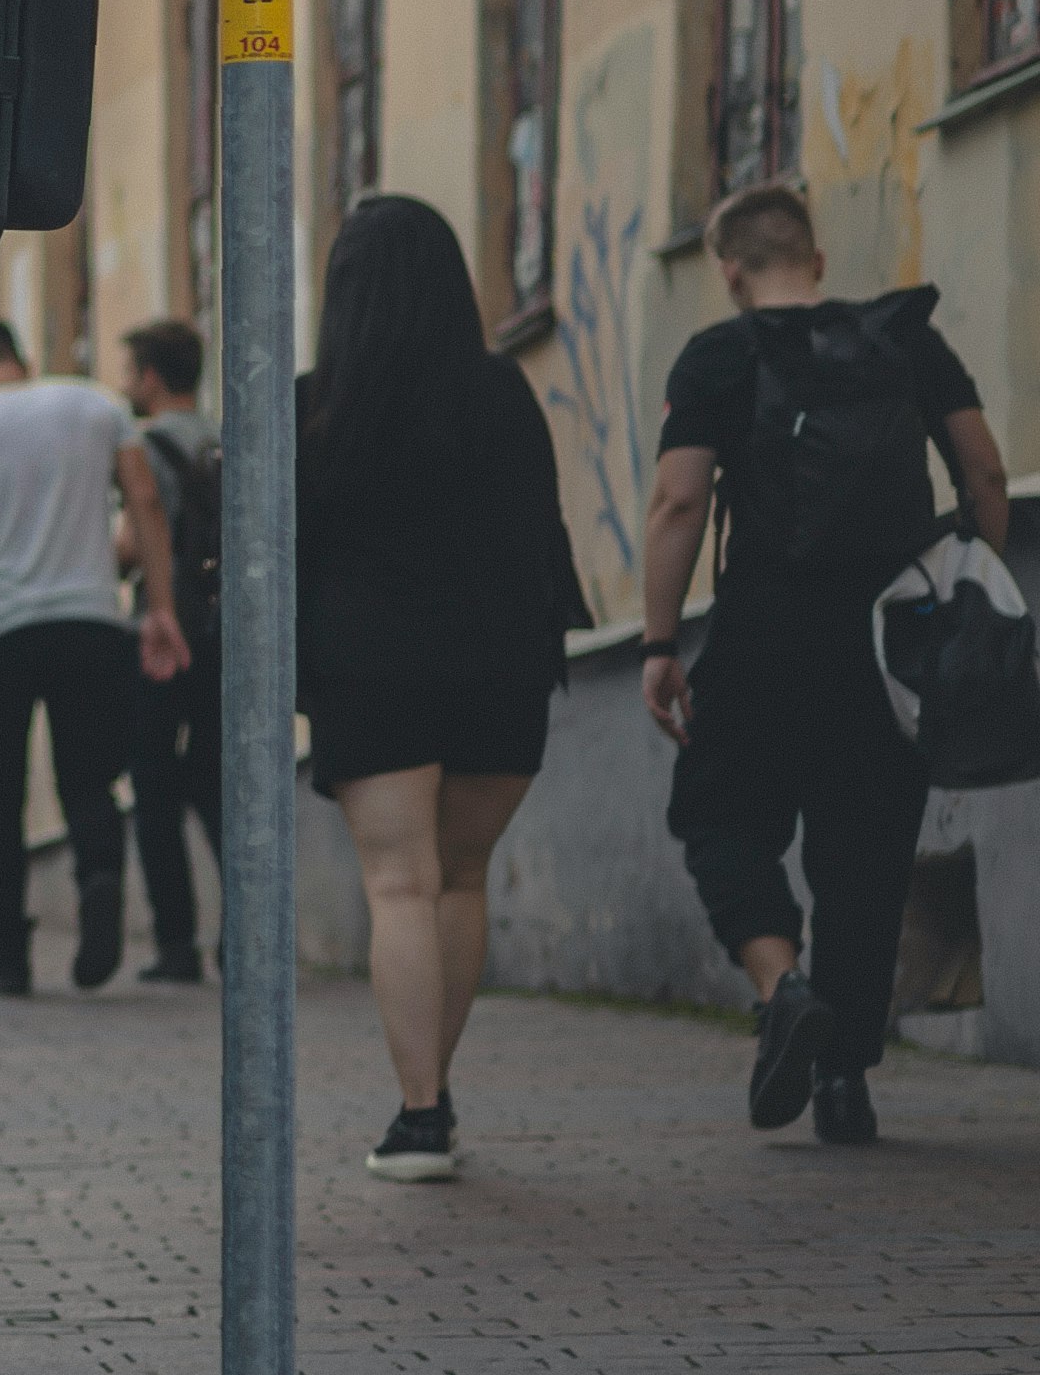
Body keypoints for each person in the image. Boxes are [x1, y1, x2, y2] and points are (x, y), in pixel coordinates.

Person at [640, 183, 1010, 1150]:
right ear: (814, 256)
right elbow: (985, 472)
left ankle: (780, 985)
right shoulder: (905, 339)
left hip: (762, 633)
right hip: (891, 639)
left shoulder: (720, 355)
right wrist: (967, 586)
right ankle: (845, 1084)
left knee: (719, 815)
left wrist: (656, 642)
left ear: (730, 273)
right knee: (866, 856)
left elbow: (679, 505)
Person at [294, 197, 582, 1181]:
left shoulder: (311, 405)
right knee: (458, 880)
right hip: (496, 666)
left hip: (370, 667)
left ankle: (418, 1116)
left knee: (396, 884)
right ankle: (433, 1099)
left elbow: (279, 556)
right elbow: (540, 535)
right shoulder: (504, 392)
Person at [0, 318, 192, 995]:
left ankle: (10, 957)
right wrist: (160, 611)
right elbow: (146, 502)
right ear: (21, 360)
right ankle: (99, 880)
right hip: (91, 622)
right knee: (89, 781)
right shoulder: (97, 405)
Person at [118, 318, 224, 985]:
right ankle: (244, 936)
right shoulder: (227, 433)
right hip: (224, 631)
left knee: (153, 784)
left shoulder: (145, 445)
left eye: (131, 371)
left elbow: (137, 537)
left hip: (164, 632)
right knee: (220, 783)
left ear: (151, 378)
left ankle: (176, 944)